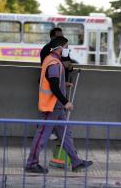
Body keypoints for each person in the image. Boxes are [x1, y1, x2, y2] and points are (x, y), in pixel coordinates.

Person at [25, 36, 93, 173]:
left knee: (66, 134)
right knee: (42, 135)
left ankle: (76, 162)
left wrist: (65, 84)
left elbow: (51, 82)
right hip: (52, 106)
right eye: (66, 47)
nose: (68, 49)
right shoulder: (54, 63)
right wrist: (66, 101)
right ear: (60, 48)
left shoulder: (51, 60)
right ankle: (31, 164)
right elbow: (54, 86)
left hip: (56, 106)